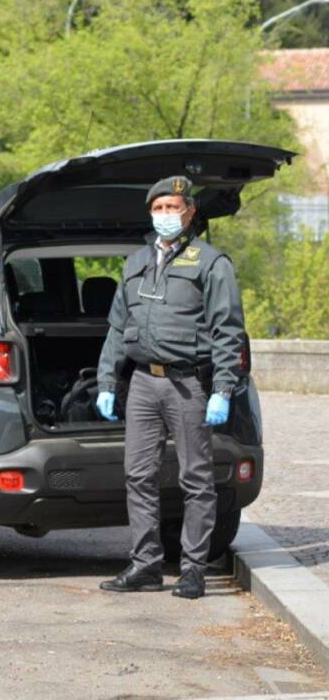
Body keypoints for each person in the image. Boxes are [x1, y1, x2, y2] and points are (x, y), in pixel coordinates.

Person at [94, 175, 246, 600]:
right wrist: (108, 380)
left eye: (173, 207)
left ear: (190, 212)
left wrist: (222, 388)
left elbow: (228, 331)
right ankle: (145, 564)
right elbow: (115, 329)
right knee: (137, 475)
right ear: (150, 212)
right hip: (143, 382)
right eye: (158, 208)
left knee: (195, 478)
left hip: (188, 386)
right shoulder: (135, 262)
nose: (165, 215)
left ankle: (194, 569)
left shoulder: (211, 263)